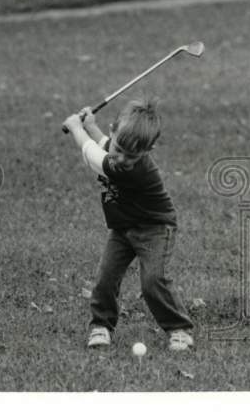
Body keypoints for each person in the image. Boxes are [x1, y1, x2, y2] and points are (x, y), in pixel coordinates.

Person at [62, 98, 194, 351]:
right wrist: (91, 126)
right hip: (123, 228)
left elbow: (95, 156)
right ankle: (100, 325)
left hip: (155, 229)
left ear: (147, 151)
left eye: (131, 155)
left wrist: (77, 129)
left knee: (153, 280)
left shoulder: (134, 169)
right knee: (105, 278)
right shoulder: (119, 150)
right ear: (113, 130)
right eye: (120, 147)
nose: (122, 158)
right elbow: (106, 146)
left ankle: (179, 329)